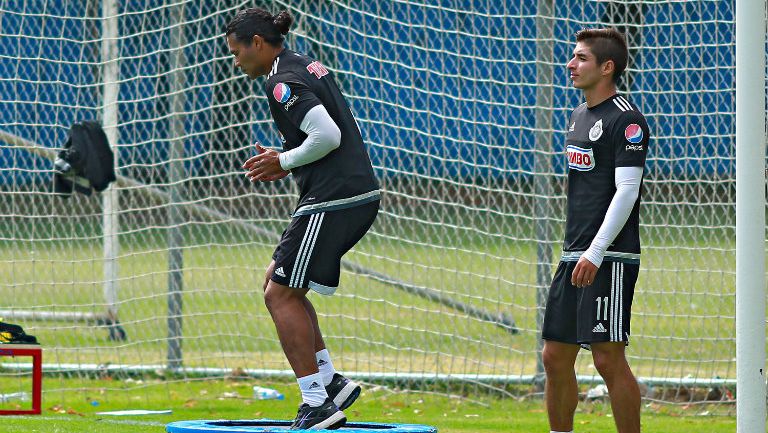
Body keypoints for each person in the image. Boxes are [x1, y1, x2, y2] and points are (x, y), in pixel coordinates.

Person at [225, 8, 380, 430]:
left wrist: (284, 160)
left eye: (237, 52)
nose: (235, 61)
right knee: (280, 281)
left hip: (335, 197)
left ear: (258, 43)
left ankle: (317, 404)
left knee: (279, 295)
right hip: (346, 195)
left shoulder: (280, 81)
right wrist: (286, 160)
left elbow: (327, 135)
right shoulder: (300, 62)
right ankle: (331, 383)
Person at [542, 28, 649, 433]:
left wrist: (596, 251)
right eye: (573, 57)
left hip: (609, 257)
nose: (570, 65)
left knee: (606, 357)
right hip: (574, 252)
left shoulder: (627, 119)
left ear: (607, 67)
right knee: (554, 355)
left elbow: (627, 191)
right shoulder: (578, 115)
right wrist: (579, 250)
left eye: (581, 58)